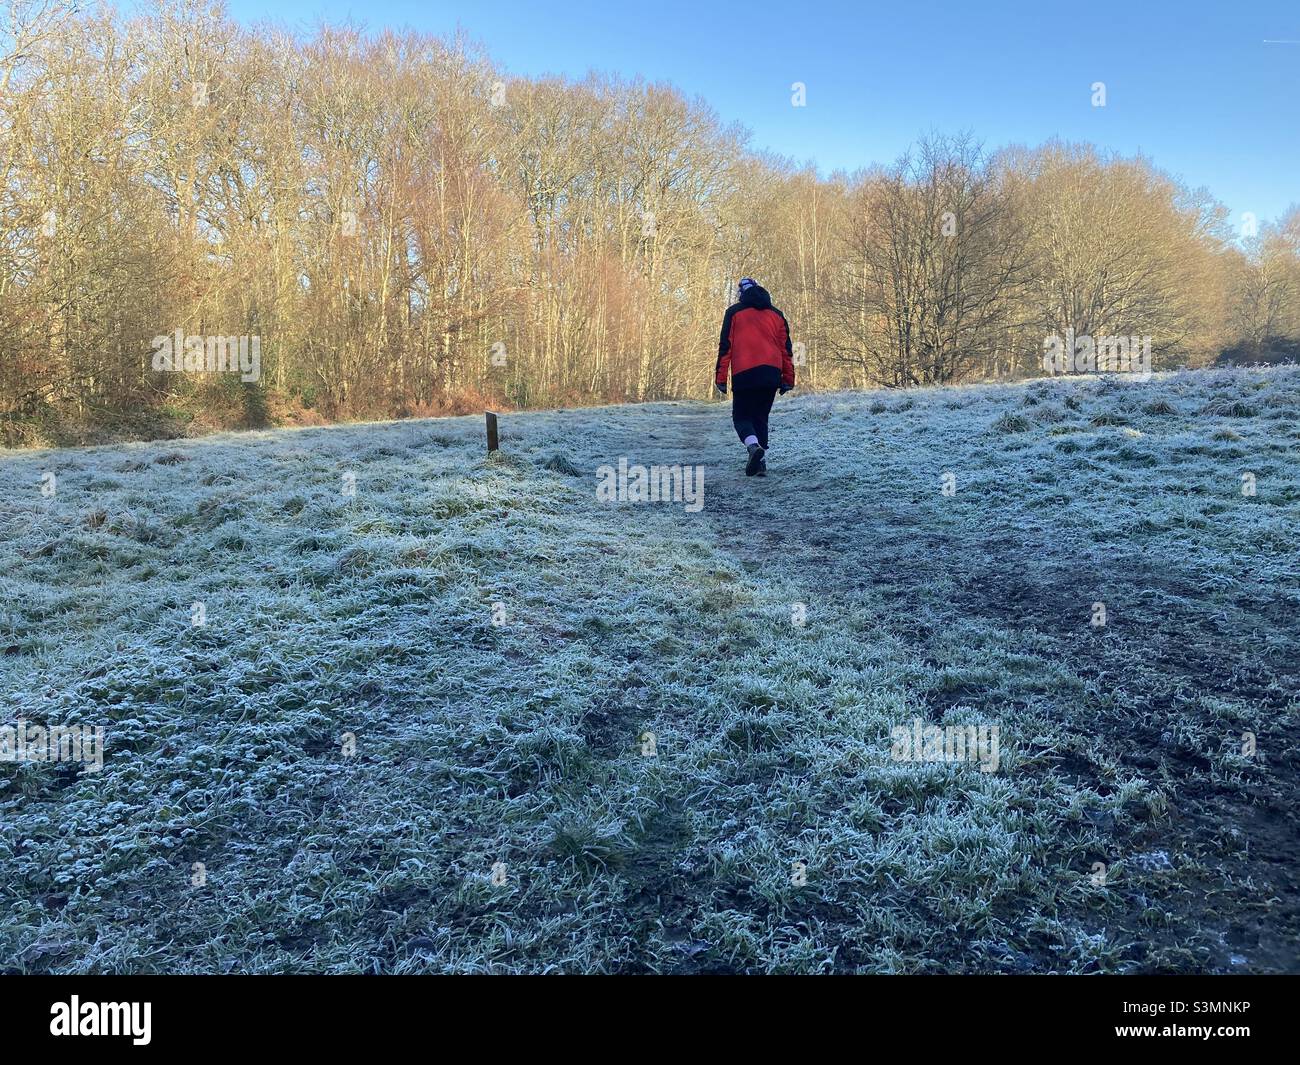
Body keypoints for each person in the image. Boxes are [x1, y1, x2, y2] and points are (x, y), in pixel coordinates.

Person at [715, 278, 795, 476]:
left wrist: (721, 377)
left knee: (741, 417)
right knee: (760, 417)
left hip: (745, 372)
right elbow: (786, 350)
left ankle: (752, 447)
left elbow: (726, 347)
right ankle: (761, 464)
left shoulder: (734, 313)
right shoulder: (777, 315)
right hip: (771, 373)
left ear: (741, 294)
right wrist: (788, 378)